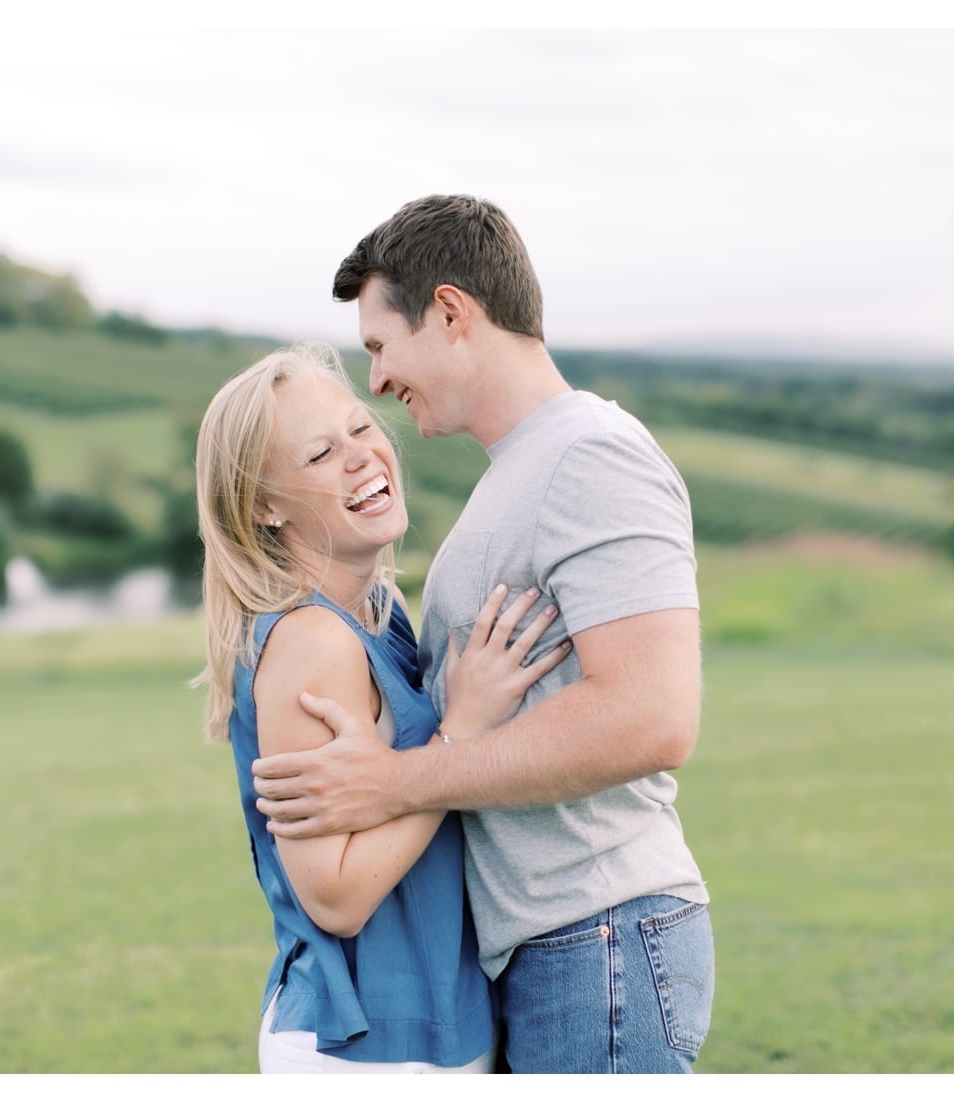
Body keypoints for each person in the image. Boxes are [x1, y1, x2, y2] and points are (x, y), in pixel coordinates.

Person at [251, 195, 715, 1074]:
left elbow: (652, 719)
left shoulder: (591, 456)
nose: (379, 380)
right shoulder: (522, 470)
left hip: (598, 934)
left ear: (453, 314)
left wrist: (392, 780)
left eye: (382, 345)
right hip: (549, 948)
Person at [193, 340, 570, 1073]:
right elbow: (334, 896)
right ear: (263, 506)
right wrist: (462, 732)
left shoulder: (383, 609)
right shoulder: (312, 641)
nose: (362, 456)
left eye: (360, 429)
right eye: (319, 454)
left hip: (441, 1023)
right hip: (365, 1044)